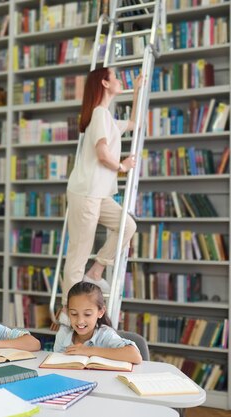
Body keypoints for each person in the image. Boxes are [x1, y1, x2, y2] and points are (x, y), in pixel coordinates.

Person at [62, 67, 141, 300]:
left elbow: (135, 123)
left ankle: (96, 272)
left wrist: (137, 91)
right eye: (115, 77)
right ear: (105, 84)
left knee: (127, 225)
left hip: (97, 194)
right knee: (78, 255)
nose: (119, 80)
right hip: (86, 193)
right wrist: (122, 167)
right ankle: (69, 312)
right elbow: (103, 154)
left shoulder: (106, 118)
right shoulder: (98, 114)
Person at [54, 281, 142, 364]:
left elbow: (135, 356)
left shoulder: (105, 335)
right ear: (67, 311)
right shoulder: (63, 334)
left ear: (101, 312)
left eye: (87, 314)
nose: (80, 321)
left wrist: (88, 350)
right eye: (74, 314)